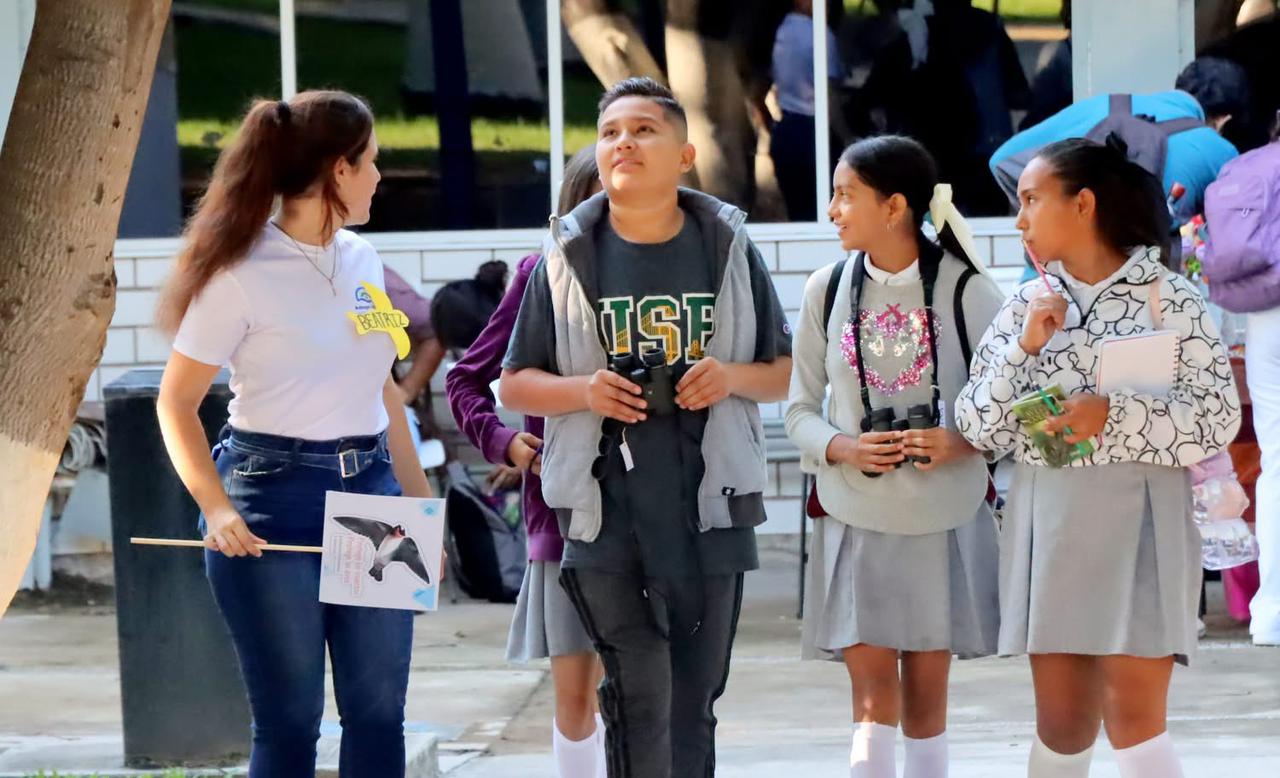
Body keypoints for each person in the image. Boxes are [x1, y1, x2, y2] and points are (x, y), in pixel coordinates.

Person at [499, 77, 793, 778]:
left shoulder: (727, 246)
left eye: (642, 130)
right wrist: (585, 391)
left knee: (693, 700)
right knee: (637, 696)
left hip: (712, 509)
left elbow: (783, 373)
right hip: (603, 513)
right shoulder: (567, 254)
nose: (623, 143)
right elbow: (513, 382)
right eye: (609, 133)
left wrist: (727, 377)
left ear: (685, 155)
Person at [154, 90, 433, 777]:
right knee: (288, 722)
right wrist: (217, 508)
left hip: (372, 491)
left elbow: (382, 389)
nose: (379, 177)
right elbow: (175, 403)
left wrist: (424, 509)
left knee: (379, 714)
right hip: (270, 501)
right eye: (372, 162)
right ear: (340, 169)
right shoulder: (239, 273)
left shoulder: (362, 258)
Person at [956, 137, 1242, 778]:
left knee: (1136, 723)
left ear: (1082, 204)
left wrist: (1113, 413)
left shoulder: (1172, 300)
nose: (1020, 220)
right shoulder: (1023, 306)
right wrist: (1022, 350)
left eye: (1032, 200)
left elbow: (1217, 421)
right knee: (1061, 727)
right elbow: (976, 427)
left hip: (1145, 525)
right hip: (1049, 522)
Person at [787, 135, 1004, 778]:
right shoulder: (825, 289)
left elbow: (1019, 410)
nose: (832, 210)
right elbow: (798, 411)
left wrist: (962, 440)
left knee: (928, 705)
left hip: (944, 515)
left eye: (845, 195)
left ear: (895, 207)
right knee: (871, 704)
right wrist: (844, 446)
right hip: (854, 514)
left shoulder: (969, 291)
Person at [445, 145, 609, 777]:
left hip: (658, 509)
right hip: (564, 514)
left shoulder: (681, 276)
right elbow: (466, 379)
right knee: (576, 694)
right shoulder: (541, 274)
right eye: (599, 198)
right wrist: (505, 443)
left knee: (648, 693)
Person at [770, 0, 846, 221]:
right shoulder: (819, 35)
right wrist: (847, 137)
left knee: (799, 217)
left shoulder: (780, 31)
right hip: (813, 134)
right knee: (826, 216)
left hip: (786, 132)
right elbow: (830, 97)